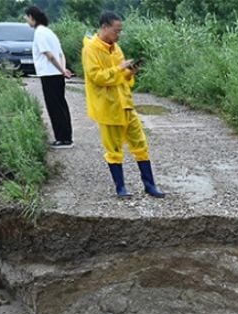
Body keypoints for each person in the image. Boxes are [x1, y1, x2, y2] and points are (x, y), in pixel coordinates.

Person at [82, 10, 165, 198]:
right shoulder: (90, 49)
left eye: (120, 31)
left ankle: (150, 185)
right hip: (107, 108)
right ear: (104, 27)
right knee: (114, 149)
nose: (118, 35)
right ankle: (121, 188)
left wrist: (129, 72)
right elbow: (96, 77)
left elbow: (122, 77)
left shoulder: (116, 48)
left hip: (125, 104)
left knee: (140, 143)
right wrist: (119, 68)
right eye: (116, 31)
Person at [25, 5, 73, 148]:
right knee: (61, 105)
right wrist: (63, 69)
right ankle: (66, 137)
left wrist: (62, 70)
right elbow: (60, 54)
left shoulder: (40, 33)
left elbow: (50, 55)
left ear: (32, 17)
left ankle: (62, 139)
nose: (26, 20)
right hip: (56, 74)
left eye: (27, 17)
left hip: (49, 74)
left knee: (54, 107)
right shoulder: (50, 32)